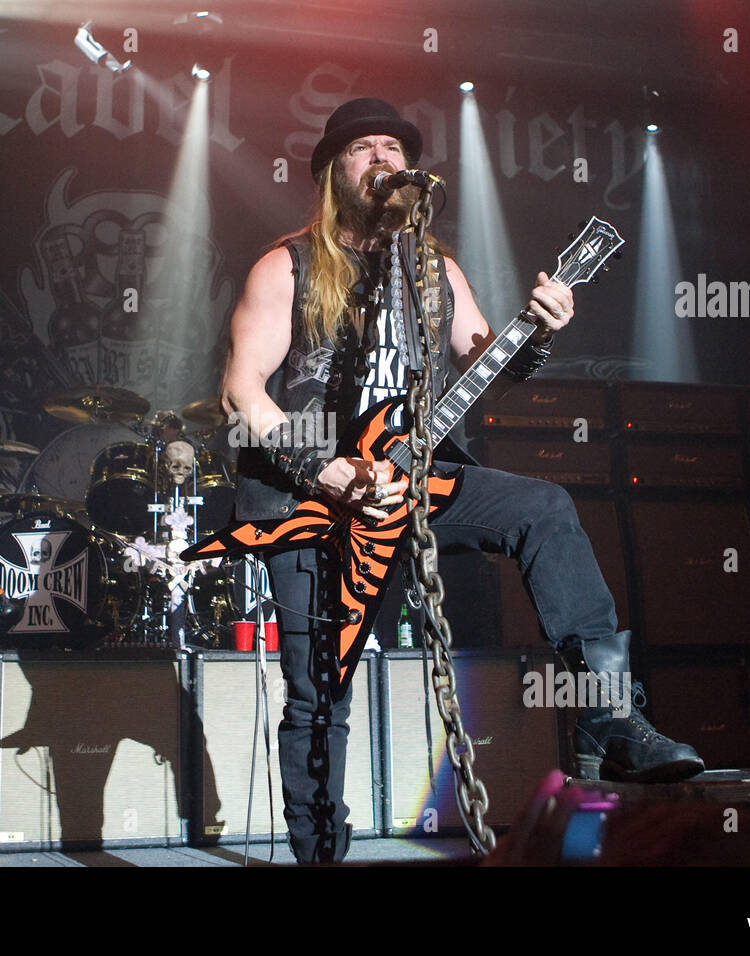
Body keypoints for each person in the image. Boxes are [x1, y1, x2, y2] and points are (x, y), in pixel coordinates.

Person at [220, 97, 703, 864]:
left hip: (412, 479)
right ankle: (320, 855)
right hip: (305, 497)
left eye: (392, 144)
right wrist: (328, 467)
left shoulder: (434, 270)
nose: (381, 155)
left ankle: (609, 716)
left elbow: (486, 362)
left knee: (543, 507)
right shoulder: (289, 265)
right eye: (362, 147)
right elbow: (242, 392)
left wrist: (540, 330)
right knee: (320, 692)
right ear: (330, 170)